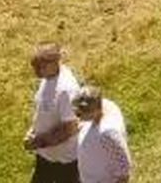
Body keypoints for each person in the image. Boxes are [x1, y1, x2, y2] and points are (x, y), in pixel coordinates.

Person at [24, 43, 81, 183]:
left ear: (55, 63)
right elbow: (43, 110)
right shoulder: (48, 78)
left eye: (40, 67)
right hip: (47, 155)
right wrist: (32, 131)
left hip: (65, 161)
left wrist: (39, 141)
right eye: (35, 66)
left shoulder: (66, 90)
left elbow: (71, 127)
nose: (36, 71)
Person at [73, 87, 132, 183]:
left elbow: (124, 168)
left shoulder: (108, 133)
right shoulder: (104, 107)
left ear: (95, 110)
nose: (77, 114)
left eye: (82, 111)